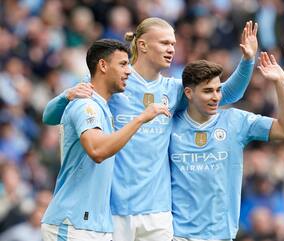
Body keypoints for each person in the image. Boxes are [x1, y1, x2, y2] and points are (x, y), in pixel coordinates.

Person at [42, 17, 259, 241]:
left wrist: (248, 60)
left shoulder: (174, 90)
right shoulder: (115, 81)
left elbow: (227, 94)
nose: (171, 49)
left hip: (158, 212)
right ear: (143, 45)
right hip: (114, 210)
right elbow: (51, 116)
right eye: (165, 43)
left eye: (173, 44)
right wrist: (66, 95)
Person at [40, 39, 170, 241]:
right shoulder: (86, 104)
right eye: (123, 64)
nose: (128, 71)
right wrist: (141, 118)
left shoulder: (103, 107)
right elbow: (97, 151)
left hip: (97, 226)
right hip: (72, 224)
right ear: (102, 65)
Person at [169, 52, 284, 241]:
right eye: (207, 91)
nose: (215, 97)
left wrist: (280, 82)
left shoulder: (235, 120)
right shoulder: (169, 125)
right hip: (178, 234)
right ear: (189, 93)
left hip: (221, 234)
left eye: (218, 90)